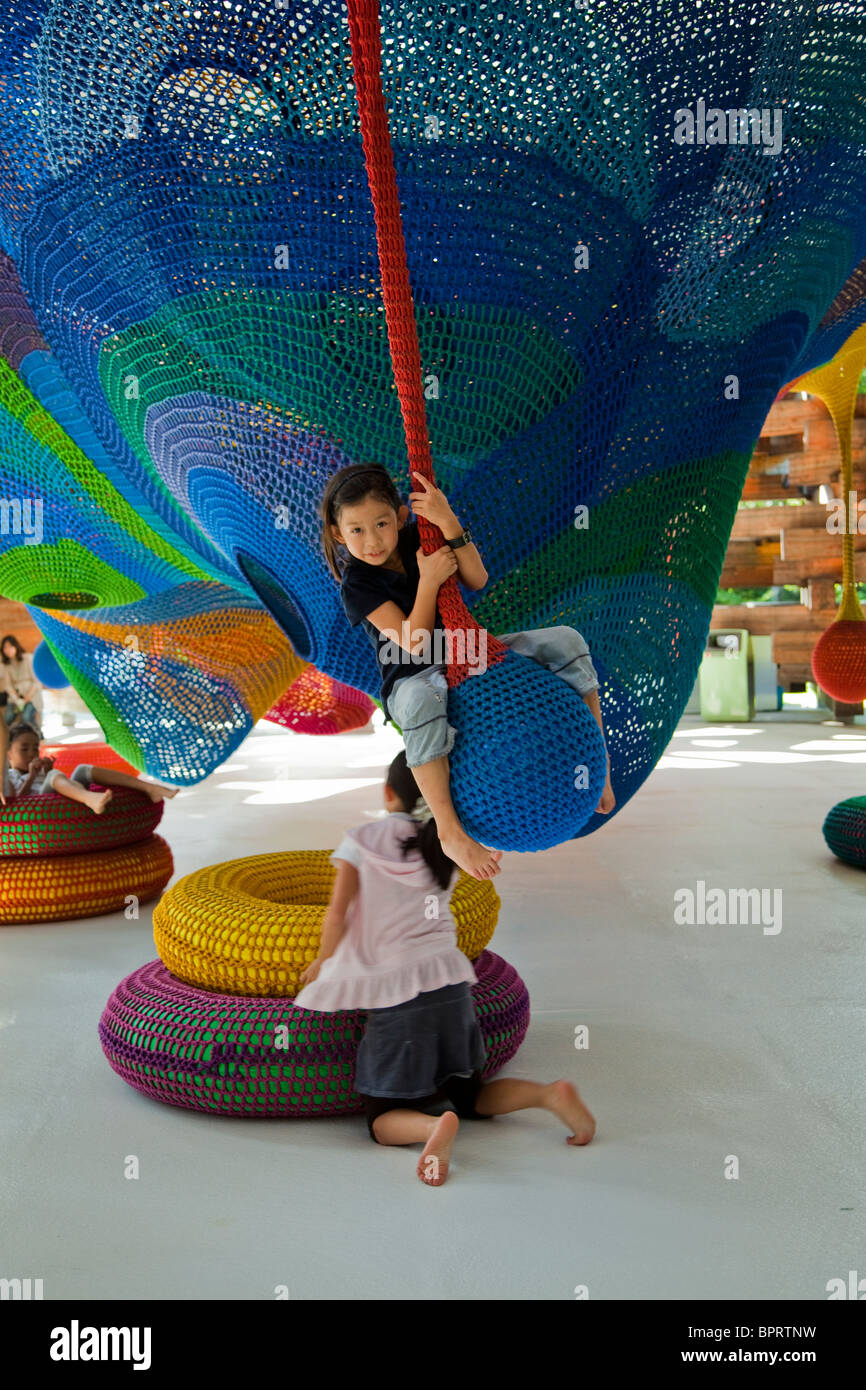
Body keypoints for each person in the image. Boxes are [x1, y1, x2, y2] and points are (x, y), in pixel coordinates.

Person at [295, 751, 596, 1187]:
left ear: (387, 792)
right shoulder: (448, 843)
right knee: (470, 1095)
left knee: (380, 1121)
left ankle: (430, 1128)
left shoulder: (362, 839)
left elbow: (337, 914)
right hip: (451, 984)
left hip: (397, 996)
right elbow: (491, 858)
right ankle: (548, 1094)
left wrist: (322, 960)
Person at [320, 462, 615, 881]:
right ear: (338, 533)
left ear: (401, 516)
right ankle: (449, 830)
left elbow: (476, 578)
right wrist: (428, 580)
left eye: (381, 524)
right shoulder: (358, 584)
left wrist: (447, 522)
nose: (372, 540)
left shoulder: (416, 540)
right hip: (412, 677)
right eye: (356, 531)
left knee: (566, 642)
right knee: (424, 702)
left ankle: (598, 765)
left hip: (471, 650)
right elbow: (414, 642)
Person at [0, 721, 178, 812]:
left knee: (82, 769)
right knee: (55, 776)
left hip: (55, 795)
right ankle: (89, 798)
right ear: (8, 753)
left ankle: (149, 787)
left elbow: (53, 782)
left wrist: (47, 771)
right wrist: (31, 776)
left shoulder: (40, 771)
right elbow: (16, 803)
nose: (32, 754)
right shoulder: (10, 775)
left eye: (35, 748)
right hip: (39, 805)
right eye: (24, 749)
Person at [0, 635, 43, 733]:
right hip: (16, 697)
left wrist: (27, 697)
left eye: (10, 646)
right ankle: (15, 739)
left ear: (16, 646)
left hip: (32, 696)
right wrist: (17, 699)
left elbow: (36, 681)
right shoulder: (6, 664)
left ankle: (38, 734)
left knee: (27, 717)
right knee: (8, 717)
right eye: (5, 648)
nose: (8, 650)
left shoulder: (28, 658)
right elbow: (8, 685)